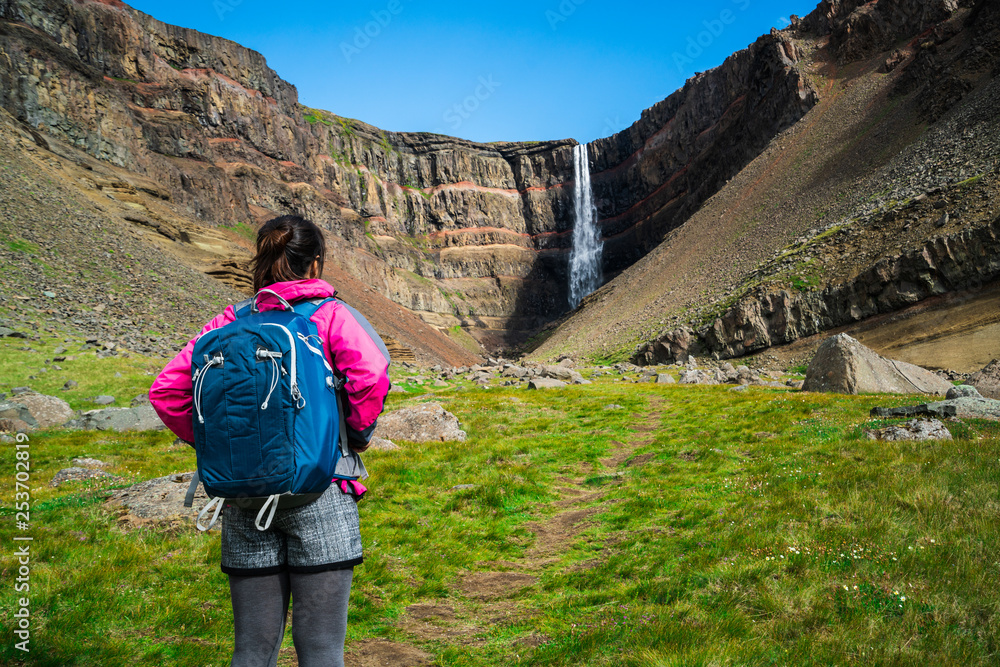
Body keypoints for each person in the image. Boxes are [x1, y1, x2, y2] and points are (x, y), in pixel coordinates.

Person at [149, 215, 390, 667]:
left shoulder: (231, 320)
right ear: (314, 265)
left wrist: (218, 446)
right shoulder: (331, 314)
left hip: (243, 497)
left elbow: (166, 390)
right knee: (320, 649)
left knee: (252, 651)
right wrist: (355, 435)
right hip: (321, 490)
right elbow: (370, 375)